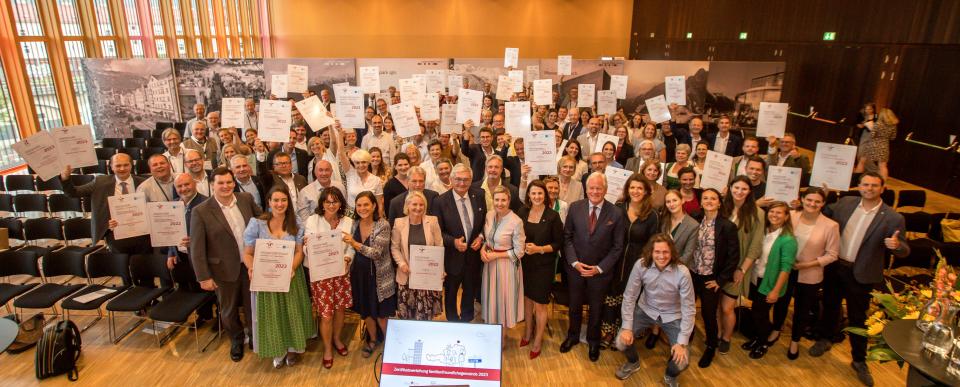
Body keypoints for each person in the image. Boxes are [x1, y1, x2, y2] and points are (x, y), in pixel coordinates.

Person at [809, 172, 909, 386]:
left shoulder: (892, 217)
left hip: (861, 273)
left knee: (858, 317)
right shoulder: (846, 203)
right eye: (865, 184)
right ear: (859, 186)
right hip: (836, 267)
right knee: (830, 305)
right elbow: (825, 214)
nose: (869, 188)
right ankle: (825, 338)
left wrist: (897, 246)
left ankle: (859, 360)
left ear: (882, 188)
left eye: (874, 185)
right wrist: (823, 197)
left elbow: (904, 249)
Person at [189, 167, 262, 362]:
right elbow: (196, 248)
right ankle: (236, 340)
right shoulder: (201, 211)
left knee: (252, 306)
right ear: (212, 185)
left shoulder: (246, 199)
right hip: (222, 270)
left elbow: (263, 221)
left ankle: (255, 337)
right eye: (220, 183)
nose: (226, 186)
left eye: (229, 182)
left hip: (250, 266)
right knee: (228, 311)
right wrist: (203, 277)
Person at [241, 186, 315, 368]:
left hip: (290, 276)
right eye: (276, 200)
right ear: (269, 202)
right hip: (266, 278)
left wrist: (291, 268)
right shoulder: (256, 223)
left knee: (291, 313)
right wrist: (251, 268)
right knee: (273, 315)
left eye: (283, 200)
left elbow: (299, 252)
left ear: (288, 202)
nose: (280, 204)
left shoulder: (296, 223)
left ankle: (292, 349)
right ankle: (278, 350)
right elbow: (248, 253)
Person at [560, 172, 626, 362]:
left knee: (597, 308)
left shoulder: (616, 213)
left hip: (600, 273)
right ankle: (572, 336)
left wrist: (599, 268)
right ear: (586, 189)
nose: (595, 191)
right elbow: (567, 238)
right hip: (576, 269)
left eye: (599, 188)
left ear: (605, 190)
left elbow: (617, 247)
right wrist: (574, 262)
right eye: (592, 188)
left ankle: (593, 341)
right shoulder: (575, 208)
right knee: (574, 306)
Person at [614, 235, 695, 387]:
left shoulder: (682, 272)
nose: (661, 256)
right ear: (651, 252)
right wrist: (626, 327)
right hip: (646, 310)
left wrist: (682, 342)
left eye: (665, 252)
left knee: (682, 361)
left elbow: (689, 309)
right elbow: (629, 296)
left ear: (672, 252)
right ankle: (633, 363)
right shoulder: (641, 265)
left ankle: (670, 376)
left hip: (673, 316)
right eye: (657, 251)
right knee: (620, 342)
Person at [773, 187, 839, 360]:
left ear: (823, 203)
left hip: (810, 274)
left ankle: (795, 340)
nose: (812, 204)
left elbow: (832, 254)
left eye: (817, 201)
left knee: (802, 310)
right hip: (786, 271)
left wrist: (807, 265)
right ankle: (775, 330)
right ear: (802, 199)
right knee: (781, 302)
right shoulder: (791, 216)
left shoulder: (831, 225)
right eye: (809, 200)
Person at [601, 175, 659, 348]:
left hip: (638, 263)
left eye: (640, 188)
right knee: (611, 298)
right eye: (632, 187)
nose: (636, 191)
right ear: (627, 189)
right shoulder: (617, 208)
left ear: (646, 191)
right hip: (614, 260)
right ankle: (608, 332)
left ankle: (623, 333)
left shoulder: (652, 215)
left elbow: (653, 242)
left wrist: (646, 265)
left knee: (630, 299)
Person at [430, 163, 487, 323]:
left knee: (470, 291)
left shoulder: (479, 195)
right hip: (452, 258)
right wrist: (453, 242)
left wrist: (481, 237)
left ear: (471, 180)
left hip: (473, 257)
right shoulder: (440, 201)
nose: (462, 183)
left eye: (466, 180)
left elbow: (485, 222)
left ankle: (466, 320)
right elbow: (437, 232)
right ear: (451, 179)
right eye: (458, 179)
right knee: (451, 293)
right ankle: (453, 322)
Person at [690, 188, 740, 368]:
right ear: (701, 202)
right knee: (688, 309)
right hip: (692, 273)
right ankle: (686, 338)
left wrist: (720, 280)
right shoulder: (695, 218)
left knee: (708, 313)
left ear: (719, 202)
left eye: (713, 198)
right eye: (705, 198)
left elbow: (733, 256)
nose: (709, 201)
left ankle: (711, 345)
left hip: (711, 277)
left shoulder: (727, 226)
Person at [304, 187, 353, 369]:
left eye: (335, 201)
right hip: (321, 275)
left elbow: (351, 245)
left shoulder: (348, 221)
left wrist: (348, 258)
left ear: (341, 203)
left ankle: (337, 339)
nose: (331, 205)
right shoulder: (313, 220)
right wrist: (310, 248)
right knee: (326, 315)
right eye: (328, 202)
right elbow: (306, 246)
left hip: (341, 273)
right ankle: (327, 349)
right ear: (322, 203)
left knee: (340, 310)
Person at [741, 201, 797, 359]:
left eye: (779, 213)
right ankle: (758, 338)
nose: (774, 215)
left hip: (770, 283)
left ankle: (763, 343)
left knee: (761, 314)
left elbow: (786, 268)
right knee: (757, 312)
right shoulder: (763, 232)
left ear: (786, 217)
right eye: (772, 212)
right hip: (756, 278)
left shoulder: (788, 240)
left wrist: (776, 291)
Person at [60, 153, 147, 254]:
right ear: (111, 167)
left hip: (141, 232)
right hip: (113, 231)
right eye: (118, 165)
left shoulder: (143, 183)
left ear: (131, 165)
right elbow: (73, 192)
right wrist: (65, 178)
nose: (122, 169)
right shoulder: (100, 182)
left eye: (126, 165)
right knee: (119, 263)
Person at [718, 176, 765, 354]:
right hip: (719, 265)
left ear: (750, 191)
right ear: (730, 188)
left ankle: (726, 337)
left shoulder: (757, 213)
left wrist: (742, 269)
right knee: (716, 306)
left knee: (727, 307)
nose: (739, 192)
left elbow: (755, 246)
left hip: (738, 266)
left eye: (744, 189)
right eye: (736, 188)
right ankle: (718, 333)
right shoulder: (722, 207)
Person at [516, 180, 563, 359]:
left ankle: (537, 340)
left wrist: (539, 249)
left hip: (543, 266)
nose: (536, 197)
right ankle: (527, 333)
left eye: (540, 193)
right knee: (527, 300)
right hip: (525, 264)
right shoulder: (522, 212)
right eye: (533, 193)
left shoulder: (553, 216)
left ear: (545, 195)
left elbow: (558, 243)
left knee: (540, 304)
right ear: (528, 195)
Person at [346, 191, 395, 358]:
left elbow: (377, 253)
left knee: (382, 315)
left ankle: (391, 343)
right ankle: (373, 340)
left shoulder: (383, 225)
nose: (362, 208)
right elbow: (347, 249)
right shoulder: (354, 224)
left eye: (366, 204)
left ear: (374, 205)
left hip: (380, 278)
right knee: (366, 312)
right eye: (359, 205)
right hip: (360, 277)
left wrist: (354, 244)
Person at [481, 186, 526, 347]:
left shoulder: (516, 221)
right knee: (491, 299)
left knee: (503, 301)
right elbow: (486, 236)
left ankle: (502, 339)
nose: (499, 203)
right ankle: (491, 334)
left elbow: (520, 251)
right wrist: (482, 249)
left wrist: (496, 255)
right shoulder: (489, 215)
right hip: (490, 265)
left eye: (503, 200)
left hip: (506, 266)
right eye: (497, 199)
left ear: (509, 200)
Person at [165, 173, 214, 324]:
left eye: (187, 184)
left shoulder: (207, 203)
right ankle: (203, 315)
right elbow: (169, 231)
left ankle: (218, 317)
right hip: (183, 255)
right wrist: (171, 252)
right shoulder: (173, 205)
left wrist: (196, 241)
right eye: (179, 186)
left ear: (194, 184)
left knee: (209, 288)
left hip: (204, 255)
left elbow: (215, 232)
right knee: (193, 286)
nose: (184, 188)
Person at [391, 191, 444, 321]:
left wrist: (440, 269)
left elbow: (439, 247)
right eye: (414, 204)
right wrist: (402, 264)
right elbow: (395, 248)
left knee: (425, 315)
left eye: (421, 205)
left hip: (427, 277)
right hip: (406, 276)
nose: (418, 208)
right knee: (407, 315)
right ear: (407, 206)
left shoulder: (432, 221)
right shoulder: (399, 223)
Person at [853, 109, 898, 181]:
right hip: (884, 146)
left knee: (862, 161)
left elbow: (872, 135)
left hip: (873, 145)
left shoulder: (878, 124)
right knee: (883, 166)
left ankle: (855, 179)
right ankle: (883, 183)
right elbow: (893, 137)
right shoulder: (893, 126)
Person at [339, 147, 384, 215]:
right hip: (351, 215)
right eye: (357, 163)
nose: (361, 165)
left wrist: (379, 222)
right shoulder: (350, 173)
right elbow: (341, 153)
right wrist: (340, 135)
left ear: (368, 162)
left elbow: (379, 205)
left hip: (370, 216)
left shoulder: (376, 180)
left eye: (364, 162)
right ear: (354, 164)